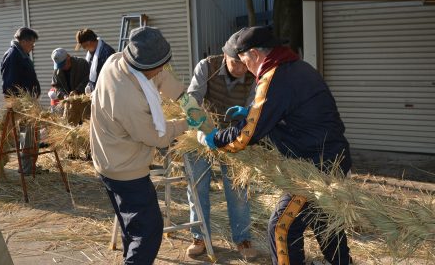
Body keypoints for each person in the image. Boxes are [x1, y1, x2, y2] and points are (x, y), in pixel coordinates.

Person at [197, 25, 352, 265]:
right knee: (324, 220)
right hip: (333, 158)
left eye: (245, 61)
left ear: (256, 55)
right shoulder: (297, 68)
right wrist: (251, 112)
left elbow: (245, 136)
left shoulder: (274, 76)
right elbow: (284, 111)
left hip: (315, 168)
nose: (246, 67)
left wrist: (216, 139)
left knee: (281, 227)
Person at [90, 26, 205, 264]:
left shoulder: (119, 60)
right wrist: (187, 123)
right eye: (158, 66)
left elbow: (160, 75)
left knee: (133, 229)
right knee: (149, 231)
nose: (162, 70)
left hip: (108, 157)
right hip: (123, 170)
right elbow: (157, 137)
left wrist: (184, 99)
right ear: (144, 66)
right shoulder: (126, 95)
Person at [184, 31, 258, 259]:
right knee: (197, 185)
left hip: (235, 134)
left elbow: (253, 109)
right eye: (236, 62)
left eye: (244, 62)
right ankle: (200, 236)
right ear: (225, 57)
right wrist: (203, 130)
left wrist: (236, 131)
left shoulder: (254, 74)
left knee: (238, 188)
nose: (240, 68)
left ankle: (243, 239)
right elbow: (191, 100)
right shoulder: (207, 66)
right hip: (204, 130)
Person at [1, 27, 45, 175]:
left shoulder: (22, 54)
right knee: (27, 136)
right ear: (24, 41)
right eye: (32, 42)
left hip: (29, 104)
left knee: (31, 136)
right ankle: (26, 168)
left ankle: (30, 166)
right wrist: (19, 104)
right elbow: (9, 84)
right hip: (23, 106)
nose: (33, 46)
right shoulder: (13, 55)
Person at [75, 28, 115, 94]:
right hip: (95, 92)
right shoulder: (90, 54)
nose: (85, 49)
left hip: (106, 92)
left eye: (84, 46)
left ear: (88, 42)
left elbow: (110, 76)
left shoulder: (107, 53)